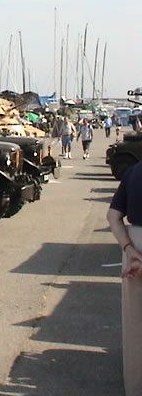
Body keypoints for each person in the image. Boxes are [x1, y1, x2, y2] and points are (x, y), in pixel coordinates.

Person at [107, 162, 142, 395]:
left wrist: (129, 249)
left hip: (135, 246)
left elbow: (113, 216)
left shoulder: (135, 171)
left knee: (135, 327)